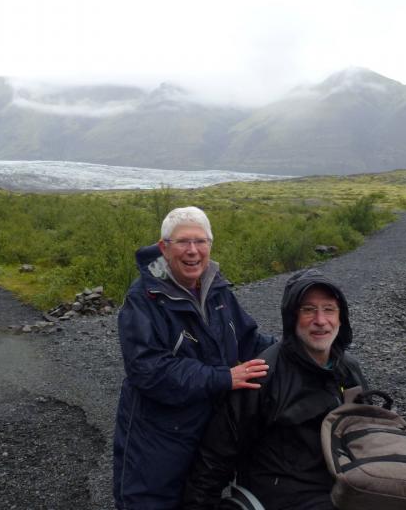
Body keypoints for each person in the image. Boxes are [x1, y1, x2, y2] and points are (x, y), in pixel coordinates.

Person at [113, 206, 275, 509]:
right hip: (157, 441)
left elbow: (249, 340)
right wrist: (224, 377)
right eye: (183, 242)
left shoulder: (218, 291)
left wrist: (296, 351)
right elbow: (148, 370)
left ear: (210, 245)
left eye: (200, 241)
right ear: (164, 248)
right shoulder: (143, 299)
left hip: (208, 435)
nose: (193, 251)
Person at [182, 268, 369, 510]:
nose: (321, 321)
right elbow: (215, 457)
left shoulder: (349, 370)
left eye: (329, 309)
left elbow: (365, 438)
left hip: (343, 488)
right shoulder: (263, 375)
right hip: (279, 497)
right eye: (308, 310)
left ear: (341, 317)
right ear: (292, 318)